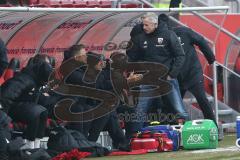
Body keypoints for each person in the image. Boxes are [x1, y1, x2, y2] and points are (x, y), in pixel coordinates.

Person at [126, 12, 189, 136]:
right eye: (143, 25)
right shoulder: (140, 37)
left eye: (147, 25)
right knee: (140, 108)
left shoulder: (169, 35)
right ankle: (133, 137)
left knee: (178, 109)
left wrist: (172, 74)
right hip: (148, 79)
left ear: (155, 24)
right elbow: (132, 57)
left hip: (167, 79)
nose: (144, 27)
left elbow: (180, 55)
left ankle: (189, 132)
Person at [158, 14, 217, 126]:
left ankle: (214, 127)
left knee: (202, 100)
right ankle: (173, 132)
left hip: (192, 73)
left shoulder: (184, 31)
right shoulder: (158, 40)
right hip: (175, 77)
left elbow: (201, 41)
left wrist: (211, 59)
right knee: (171, 104)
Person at [0, 54, 52, 149]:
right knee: (35, 112)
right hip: (10, 108)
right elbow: (5, 96)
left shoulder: (36, 81)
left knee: (42, 112)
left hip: (23, 107)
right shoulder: (24, 79)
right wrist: (4, 118)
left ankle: (36, 145)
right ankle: (28, 145)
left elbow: (38, 100)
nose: (45, 83)